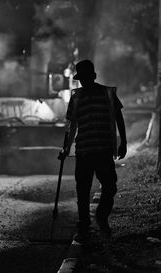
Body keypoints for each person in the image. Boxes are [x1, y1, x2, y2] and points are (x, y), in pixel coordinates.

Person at [61, 59, 127, 242]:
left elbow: (118, 117)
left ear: (94, 77)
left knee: (110, 186)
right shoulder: (76, 97)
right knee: (82, 190)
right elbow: (70, 126)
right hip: (84, 151)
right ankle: (84, 225)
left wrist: (124, 141)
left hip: (103, 150)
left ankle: (101, 216)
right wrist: (65, 149)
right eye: (80, 78)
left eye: (86, 77)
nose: (83, 81)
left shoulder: (107, 94)